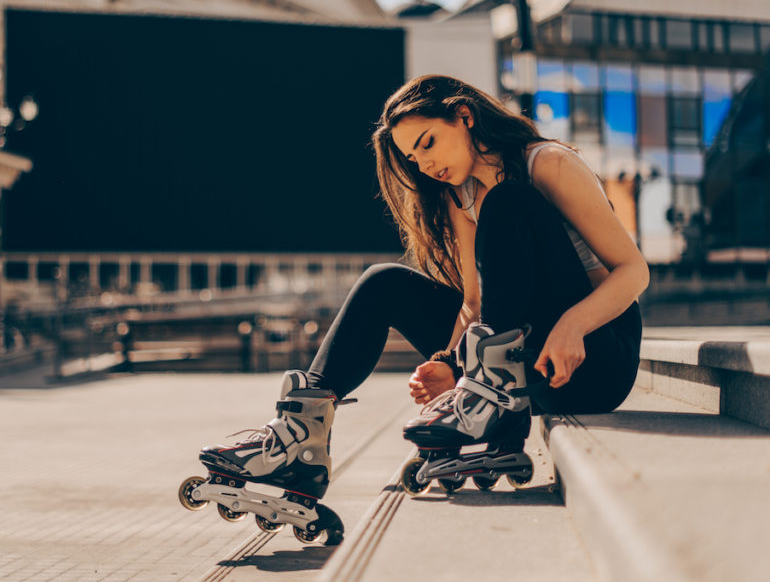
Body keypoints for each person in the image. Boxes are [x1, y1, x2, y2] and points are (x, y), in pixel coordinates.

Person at [193, 75, 647, 514]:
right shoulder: (461, 194)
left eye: (427, 142)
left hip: (596, 357)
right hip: (528, 361)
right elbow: (475, 303)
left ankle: (493, 393)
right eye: (412, 156)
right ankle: (299, 437)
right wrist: (450, 362)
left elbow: (633, 273)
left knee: (508, 200)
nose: (423, 164)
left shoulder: (547, 164)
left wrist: (572, 327)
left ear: (464, 117)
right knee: (383, 282)